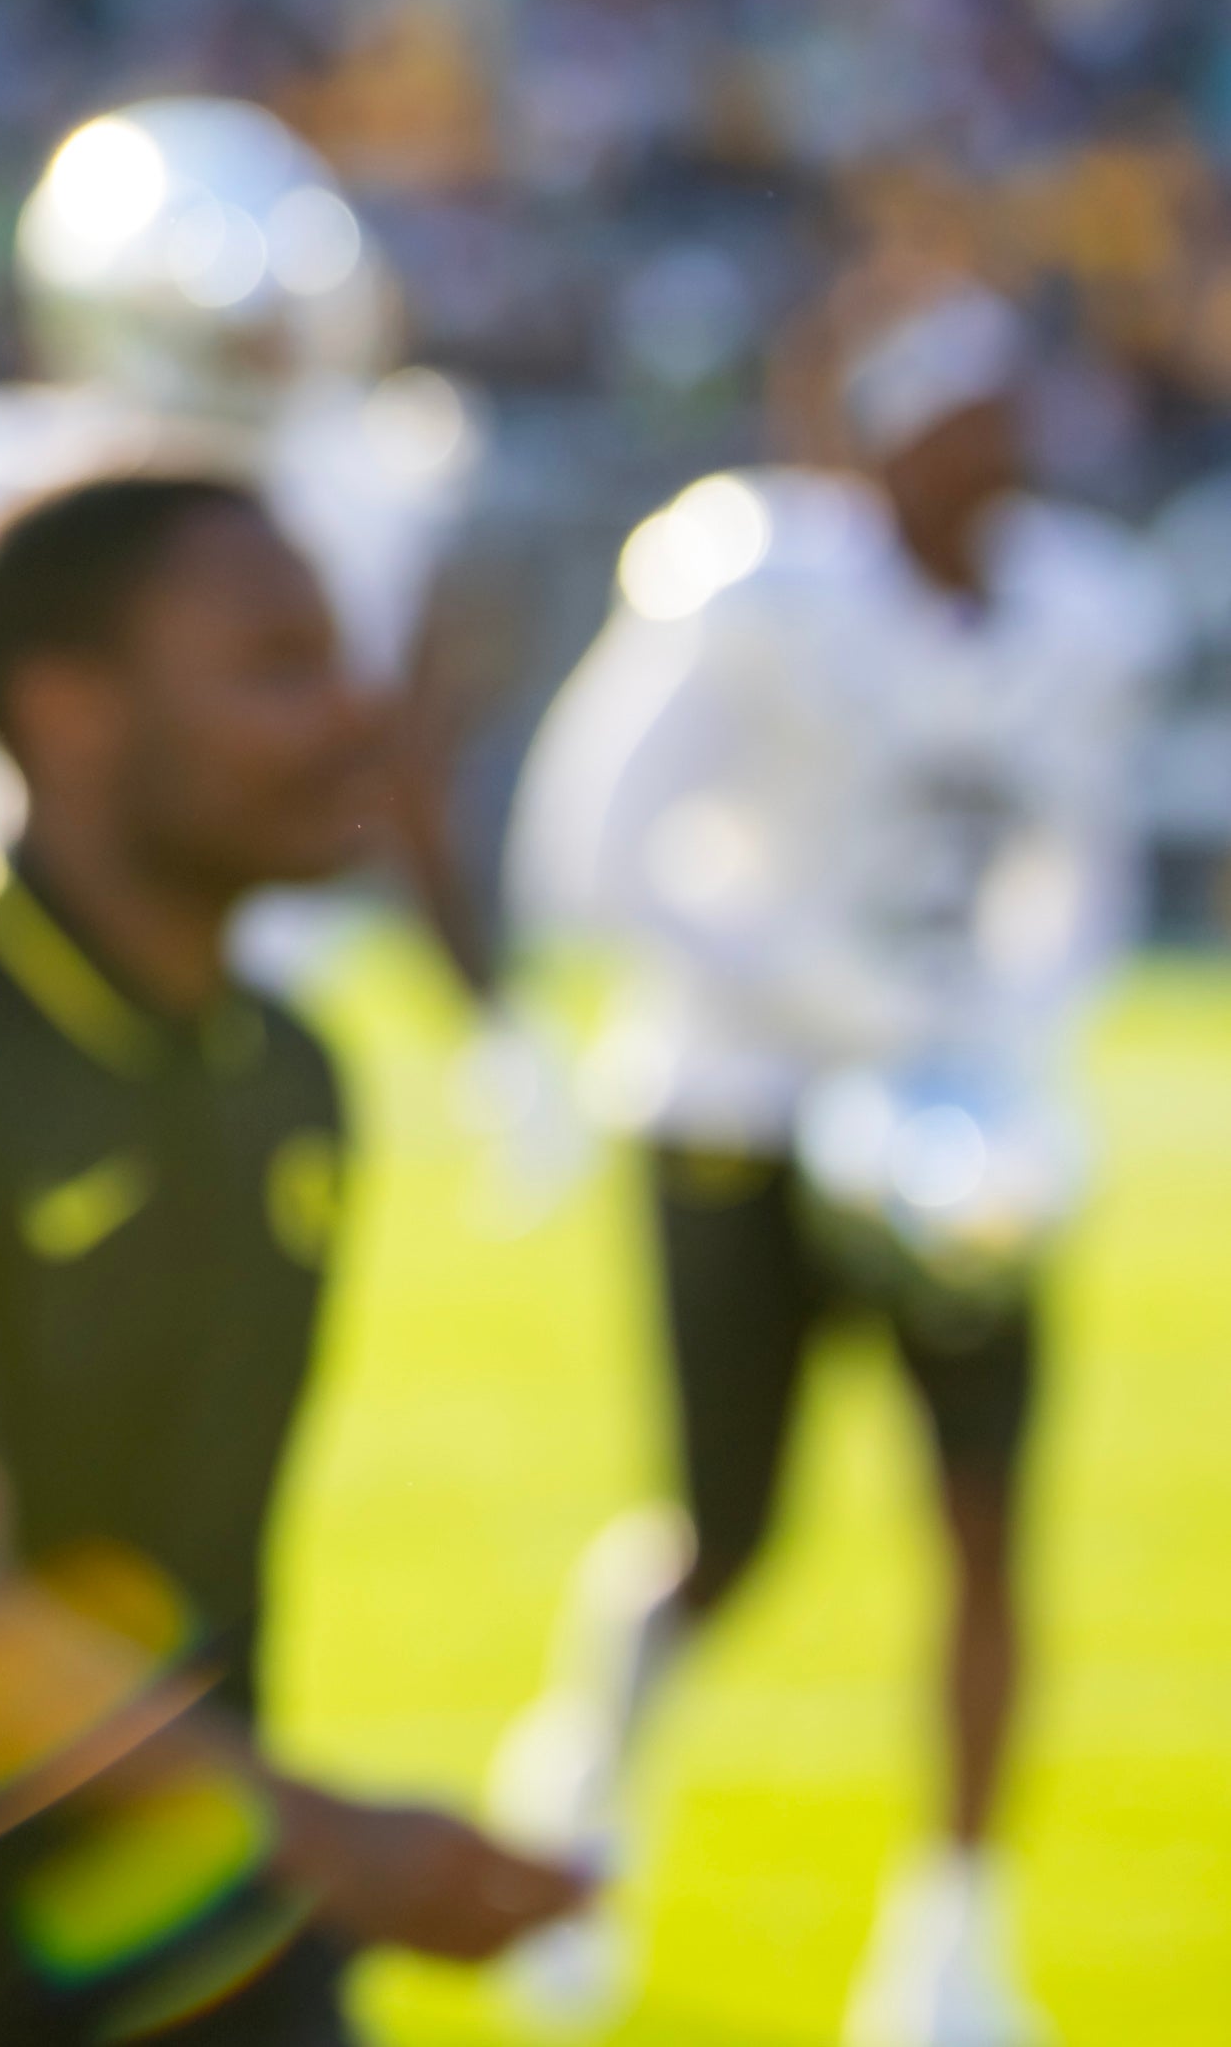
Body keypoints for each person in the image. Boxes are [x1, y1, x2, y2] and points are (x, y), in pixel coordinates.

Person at [0, 474, 584, 2045]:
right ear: (69, 711)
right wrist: (331, 1838)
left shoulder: (292, 1073)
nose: (358, 715)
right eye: (278, 665)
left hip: (192, 1933)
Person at [488, 283, 1168, 2047]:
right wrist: (830, 999)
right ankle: (576, 1811)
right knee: (724, 1534)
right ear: (867, 434)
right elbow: (592, 840)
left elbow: (1071, 867)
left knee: (981, 1524)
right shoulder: (748, 577)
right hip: (735, 1096)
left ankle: (949, 1950)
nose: (988, 457)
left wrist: (990, 1037)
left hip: (957, 1127)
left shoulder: (1079, 609)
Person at [0, 102, 487, 1038]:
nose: (254, 348)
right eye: (225, 321)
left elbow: (373, 754)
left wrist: (478, 1003)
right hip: (25, 947)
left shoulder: (354, 485)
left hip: (253, 967)